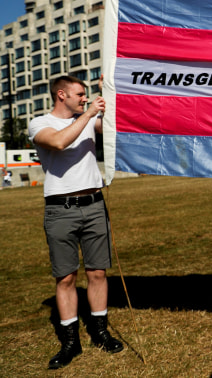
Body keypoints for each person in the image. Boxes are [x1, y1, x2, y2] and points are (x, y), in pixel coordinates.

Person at [28, 75, 123, 369]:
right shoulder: (40, 123)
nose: (84, 99)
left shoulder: (89, 119)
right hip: (60, 208)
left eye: (85, 94)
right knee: (66, 277)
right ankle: (71, 341)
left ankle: (100, 331)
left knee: (97, 273)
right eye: (79, 94)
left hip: (94, 205)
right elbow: (58, 142)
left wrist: (107, 89)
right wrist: (89, 113)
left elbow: (116, 120)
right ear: (61, 95)